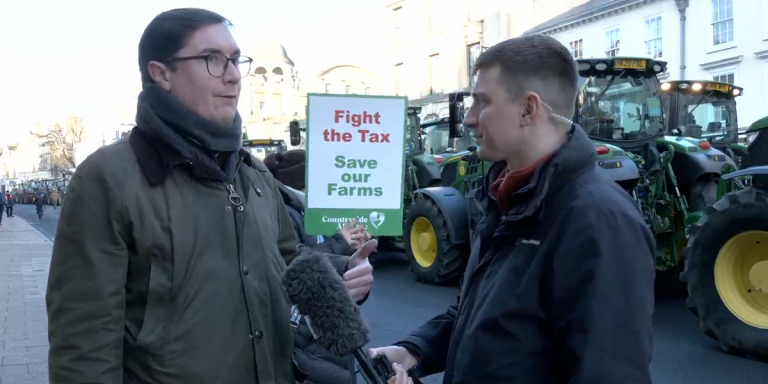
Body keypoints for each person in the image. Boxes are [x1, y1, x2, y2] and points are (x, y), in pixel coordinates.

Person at [45, 8, 374, 384]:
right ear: (161, 74)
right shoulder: (107, 179)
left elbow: (288, 262)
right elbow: (83, 349)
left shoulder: (254, 173)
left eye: (235, 60)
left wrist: (341, 276)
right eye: (212, 60)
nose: (233, 75)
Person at [369, 35, 655, 384]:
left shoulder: (597, 218)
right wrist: (414, 351)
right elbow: (483, 313)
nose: (471, 119)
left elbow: (607, 373)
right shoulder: (506, 194)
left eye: (482, 102)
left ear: (528, 109)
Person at [263, 150, 372, 384]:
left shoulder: (309, 209)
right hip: (305, 334)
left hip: (324, 326)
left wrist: (353, 252)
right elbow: (294, 262)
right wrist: (340, 242)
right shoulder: (285, 213)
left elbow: (320, 255)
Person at [264, 150, 372, 255]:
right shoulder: (285, 214)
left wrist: (348, 247)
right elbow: (298, 261)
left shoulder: (303, 208)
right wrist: (341, 241)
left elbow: (320, 249)